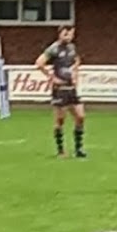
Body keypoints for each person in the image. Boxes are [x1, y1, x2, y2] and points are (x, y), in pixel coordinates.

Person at [36, 25, 86, 159]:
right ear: (60, 34)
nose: (68, 36)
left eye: (70, 34)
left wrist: (75, 74)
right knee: (60, 120)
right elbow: (39, 63)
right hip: (60, 90)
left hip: (71, 89)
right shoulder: (53, 49)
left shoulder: (71, 48)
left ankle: (79, 149)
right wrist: (52, 78)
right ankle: (61, 150)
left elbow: (77, 61)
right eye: (65, 34)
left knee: (80, 117)